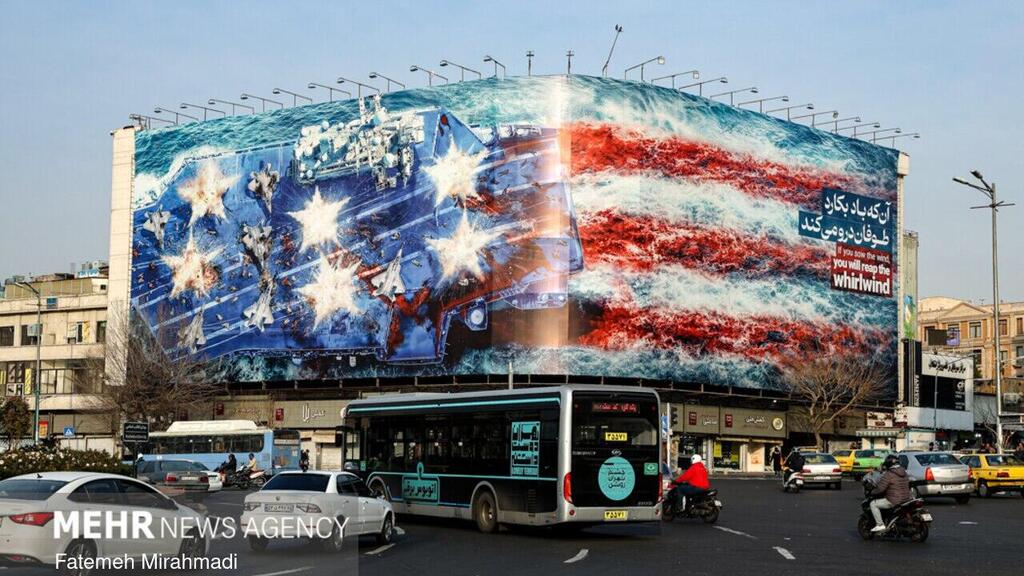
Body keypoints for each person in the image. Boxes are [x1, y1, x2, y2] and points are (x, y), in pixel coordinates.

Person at [868, 454, 911, 533]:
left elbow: (881, 489)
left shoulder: (888, 474)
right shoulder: (904, 472)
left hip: (894, 500)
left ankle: (880, 524)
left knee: (873, 504)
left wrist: (872, 492)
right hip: (906, 499)